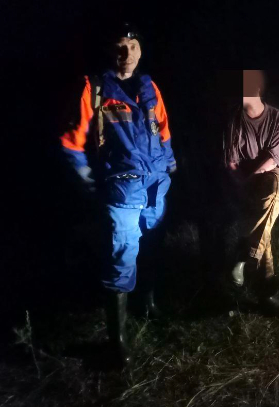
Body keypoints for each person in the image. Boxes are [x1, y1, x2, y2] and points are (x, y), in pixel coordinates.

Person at [60, 23, 176, 365]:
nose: (127, 54)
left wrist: (169, 164)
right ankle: (118, 342)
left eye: (133, 47)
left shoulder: (149, 86)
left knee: (152, 242)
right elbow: (71, 142)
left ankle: (148, 305)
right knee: (122, 255)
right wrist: (90, 181)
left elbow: (163, 130)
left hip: (156, 184)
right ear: (111, 51)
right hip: (122, 187)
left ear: (141, 51)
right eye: (120, 47)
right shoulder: (94, 88)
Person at [224, 70, 279, 315]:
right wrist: (241, 183)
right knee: (263, 222)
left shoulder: (276, 117)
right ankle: (267, 295)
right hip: (244, 180)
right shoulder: (234, 120)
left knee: (273, 194)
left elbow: (274, 158)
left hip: (272, 175)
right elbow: (231, 162)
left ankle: (243, 256)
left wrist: (251, 178)